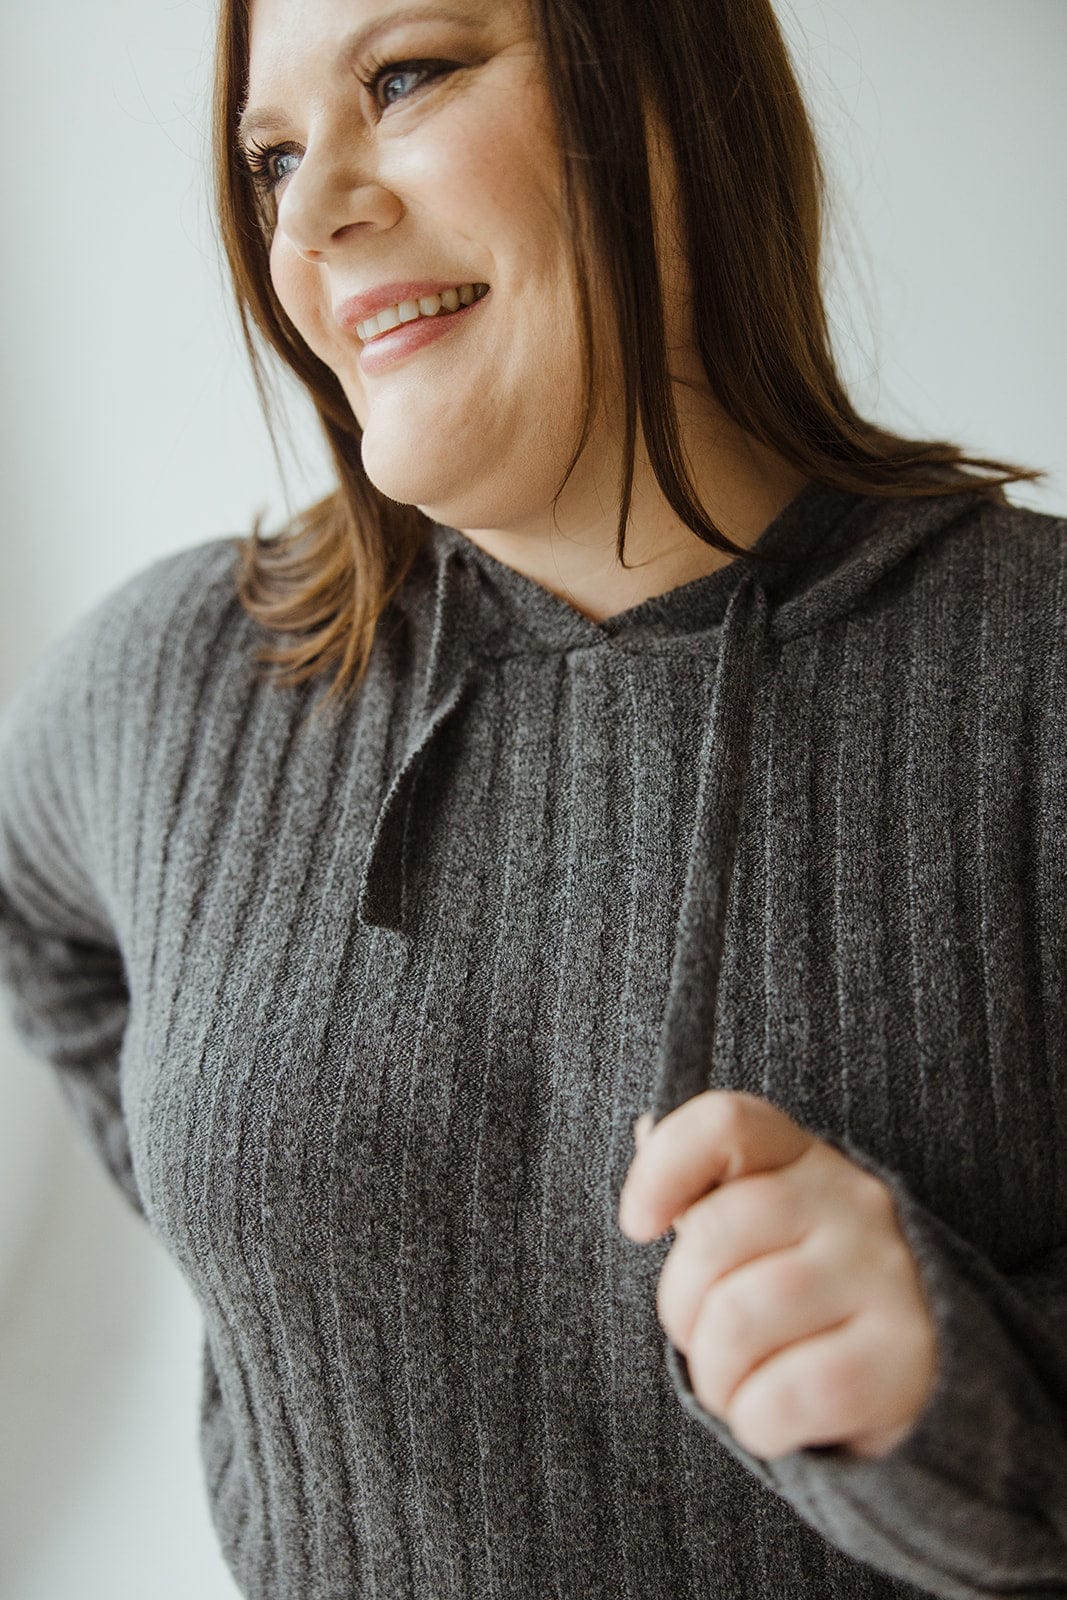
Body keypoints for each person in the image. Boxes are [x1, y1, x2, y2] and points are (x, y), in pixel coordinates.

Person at [0, 0, 1064, 1595]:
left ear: (669, 90)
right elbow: (40, 921)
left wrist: (963, 1410)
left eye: (406, 76)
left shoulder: (1040, 682)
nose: (308, 213)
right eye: (273, 156)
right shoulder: (169, 683)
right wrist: (263, 1268)